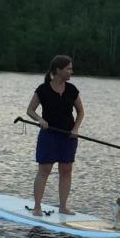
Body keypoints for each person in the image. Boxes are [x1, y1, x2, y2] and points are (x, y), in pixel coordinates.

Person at [26, 55, 84, 216]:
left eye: (71, 68)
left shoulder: (72, 90)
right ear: (58, 70)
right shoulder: (43, 89)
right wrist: (40, 119)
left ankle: (63, 207)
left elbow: (81, 112)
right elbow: (30, 110)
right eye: (68, 68)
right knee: (44, 170)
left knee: (66, 170)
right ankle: (37, 207)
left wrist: (76, 129)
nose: (71, 71)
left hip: (69, 136)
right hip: (49, 135)